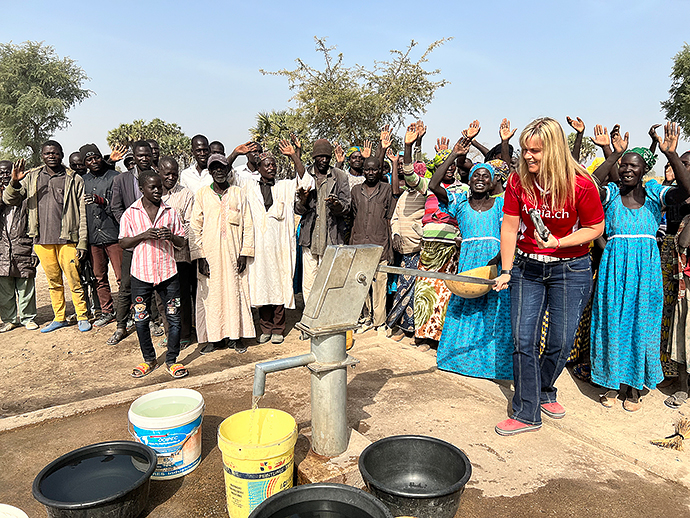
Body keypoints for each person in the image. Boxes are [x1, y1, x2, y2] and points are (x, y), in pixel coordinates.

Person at [494, 117, 605, 436]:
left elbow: (595, 228)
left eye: (536, 151)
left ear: (554, 150)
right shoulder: (518, 181)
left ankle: (543, 390)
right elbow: (510, 225)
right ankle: (527, 410)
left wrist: (559, 242)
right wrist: (505, 269)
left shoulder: (580, 184)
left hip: (570, 269)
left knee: (561, 340)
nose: (528, 156)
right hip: (527, 268)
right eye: (525, 150)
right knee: (522, 338)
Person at [590, 123, 690, 411]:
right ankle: (611, 382)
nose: (627, 170)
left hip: (646, 271)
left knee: (642, 325)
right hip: (613, 270)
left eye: (634, 166)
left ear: (644, 169)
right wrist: (611, 154)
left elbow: (687, 189)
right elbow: (589, 184)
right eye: (624, 166)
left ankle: (634, 388)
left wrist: (670, 154)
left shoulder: (656, 194)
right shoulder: (610, 193)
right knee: (612, 322)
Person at [430, 139, 513, 381]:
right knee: (464, 308)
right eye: (476, 175)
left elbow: (509, 236)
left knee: (494, 312)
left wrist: (496, 262)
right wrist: (454, 154)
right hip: (468, 261)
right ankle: (457, 360)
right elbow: (434, 184)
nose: (480, 179)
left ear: (493, 182)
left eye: (486, 176)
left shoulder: (501, 204)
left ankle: (490, 366)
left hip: (494, 262)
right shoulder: (460, 204)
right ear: (469, 180)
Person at [3, 142, 92, 333]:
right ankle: (59, 317)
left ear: (61, 154)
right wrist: (15, 182)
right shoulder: (32, 177)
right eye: (47, 153)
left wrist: (82, 242)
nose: (51, 156)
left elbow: (83, 212)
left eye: (55, 153)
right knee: (53, 282)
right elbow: (11, 200)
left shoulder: (73, 179)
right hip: (42, 240)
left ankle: (82, 315)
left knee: (74, 280)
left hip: (68, 239)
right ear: (42, 156)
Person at [401, 123, 467, 348]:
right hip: (428, 247)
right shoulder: (428, 187)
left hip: (450, 248)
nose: (448, 169)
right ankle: (423, 335)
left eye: (450, 166)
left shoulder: (463, 190)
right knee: (424, 290)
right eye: (442, 166)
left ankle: (438, 337)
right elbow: (409, 175)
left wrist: (455, 155)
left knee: (444, 292)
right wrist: (408, 146)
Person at [119, 170, 187, 379]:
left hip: (168, 272)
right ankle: (149, 359)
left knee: (174, 318)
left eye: (160, 186)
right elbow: (123, 242)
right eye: (153, 187)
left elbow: (182, 241)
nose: (158, 190)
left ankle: (172, 360)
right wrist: (143, 236)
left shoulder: (170, 212)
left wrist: (171, 236)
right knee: (141, 319)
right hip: (141, 274)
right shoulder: (130, 213)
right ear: (142, 189)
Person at [190, 153, 255, 354]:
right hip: (209, 257)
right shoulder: (201, 194)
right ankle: (214, 338)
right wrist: (200, 257)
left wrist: (244, 253)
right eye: (215, 168)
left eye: (222, 167)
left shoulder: (238, 193)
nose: (219, 171)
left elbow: (248, 225)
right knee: (211, 297)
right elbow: (195, 226)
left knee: (235, 293)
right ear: (209, 171)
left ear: (228, 170)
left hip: (234, 255)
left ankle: (236, 337)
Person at [246, 143, 304, 344]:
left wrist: (294, 156)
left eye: (274, 165)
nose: (271, 168)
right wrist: (237, 153)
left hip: (280, 247)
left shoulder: (284, 187)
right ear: (259, 168)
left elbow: (305, 181)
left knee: (279, 285)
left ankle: (279, 328)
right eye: (267, 165)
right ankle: (266, 328)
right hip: (259, 248)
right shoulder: (249, 188)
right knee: (261, 286)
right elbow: (227, 177)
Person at [110, 140, 163, 344]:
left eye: (147, 155)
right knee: (127, 285)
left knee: (152, 283)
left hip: (154, 241)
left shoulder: (157, 176)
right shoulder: (122, 179)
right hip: (132, 242)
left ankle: (152, 321)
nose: (144, 158)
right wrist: (130, 228)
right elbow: (115, 207)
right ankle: (121, 325)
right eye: (140, 155)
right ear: (134, 155)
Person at [295, 139, 351, 303]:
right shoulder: (304, 176)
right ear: (314, 157)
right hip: (310, 238)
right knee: (309, 282)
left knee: (329, 281)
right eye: (320, 157)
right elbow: (297, 209)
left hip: (332, 238)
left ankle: (325, 319)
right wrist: (303, 201)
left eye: (327, 157)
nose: (324, 160)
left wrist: (337, 205)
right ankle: (310, 318)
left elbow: (347, 207)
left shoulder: (339, 176)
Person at [349, 156, 394, 332]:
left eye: (374, 169)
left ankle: (379, 322)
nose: (370, 172)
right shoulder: (355, 190)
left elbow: (389, 219)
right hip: (359, 245)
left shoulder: (387, 190)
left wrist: (389, 248)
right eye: (367, 169)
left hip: (380, 245)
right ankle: (365, 317)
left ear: (380, 170)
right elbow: (353, 217)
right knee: (361, 284)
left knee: (379, 285)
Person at [80, 143, 122, 327]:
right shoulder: (82, 181)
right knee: (99, 277)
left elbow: (120, 205)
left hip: (113, 233)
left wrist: (101, 201)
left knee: (122, 277)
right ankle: (107, 311)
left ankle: (128, 311)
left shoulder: (115, 177)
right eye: (89, 159)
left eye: (96, 157)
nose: (94, 161)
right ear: (85, 163)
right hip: (93, 236)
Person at [158, 156, 195, 348]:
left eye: (174, 173)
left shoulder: (186, 194)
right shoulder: (153, 194)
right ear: (159, 172)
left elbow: (189, 224)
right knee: (162, 296)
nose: (171, 177)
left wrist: (175, 236)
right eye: (167, 174)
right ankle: (169, 332)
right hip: (158, 254)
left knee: (181, 295)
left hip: (180, 252)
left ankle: (185, 333)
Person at [0, 160, 38, 332]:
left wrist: (34, 247)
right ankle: (9, 319)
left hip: (22, 245)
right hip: (2, 248)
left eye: (8, 172)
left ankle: (28, 318)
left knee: (25, 284)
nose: (5, 176)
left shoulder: (26, 194)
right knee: (4, 288)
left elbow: (35, 222)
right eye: (1, 173)